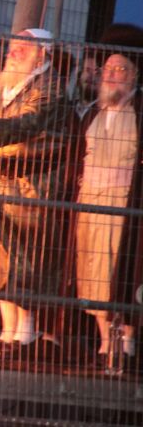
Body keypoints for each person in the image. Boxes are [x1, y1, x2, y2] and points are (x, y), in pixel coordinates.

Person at [0, 28, 70, 361]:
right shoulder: (5, 81)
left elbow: (30, 122)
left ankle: (26, 334)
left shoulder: (51, 87)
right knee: (0, 257)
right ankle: (7, 334)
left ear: (43, 54)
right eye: (15, 45)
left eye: (25, 46)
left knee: (27, 259)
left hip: (29, 186)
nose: (15, 51)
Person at [74, 37, 143, 368]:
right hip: (89, 201)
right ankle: (104, 346)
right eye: (109, 69)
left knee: (121, 271)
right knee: (92, 274)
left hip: (123, 204)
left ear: (134, 76)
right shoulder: (92, 113)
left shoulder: (139, 112)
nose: (113, 75)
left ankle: (126, 347)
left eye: (121, 69)